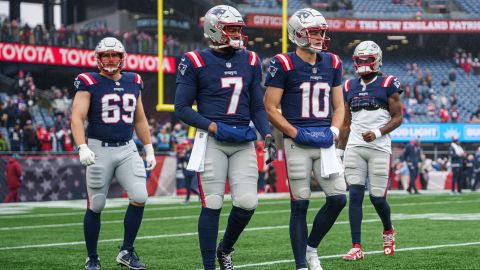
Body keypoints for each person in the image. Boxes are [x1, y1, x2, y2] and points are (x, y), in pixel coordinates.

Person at [174, 5, 276, 270]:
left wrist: (266, 132)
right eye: (231, 29)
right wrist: (213, 127)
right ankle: (209, 266)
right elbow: (182, 108)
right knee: (213, 204)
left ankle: (225, 248)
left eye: (238, 29)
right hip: (212, 140)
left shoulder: (251, 59)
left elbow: (256, 105)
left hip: (243, 139)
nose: (237, 34)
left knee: (247, 202)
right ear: (213, 29)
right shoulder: (194, 60)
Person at [264, 8, 347, 270]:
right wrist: (292, 132)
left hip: (323, 138)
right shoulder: (283, 63)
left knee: (338, 198)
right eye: (314, 32)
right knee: (300, 203)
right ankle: (301, 264)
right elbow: (271, 106)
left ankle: (311, 248)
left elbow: (339, 106)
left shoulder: (332, 62)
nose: (320, 37)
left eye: (321, 32)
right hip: (296, 139)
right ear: (298, 34)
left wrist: (334, 130)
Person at [71, 37, 156, 270]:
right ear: (98, 58)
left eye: (115, 55)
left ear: (122, 57)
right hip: (99, 148)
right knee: (96, 205)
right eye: (106, 55)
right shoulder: (88, 81)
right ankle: (92, 256)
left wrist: (148, 148)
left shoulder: (133, 80)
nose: (110, 59)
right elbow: (77, 117)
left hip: (127, 147)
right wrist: (82, 146)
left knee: (140, 196)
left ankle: (127, 251)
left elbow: (139, 118)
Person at [337, 41, 403, 260]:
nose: (363, 64)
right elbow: (345, 124)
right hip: (355, 147)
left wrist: (378, 131)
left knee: (377, 198)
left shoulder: (388, 83)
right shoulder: (349, 86)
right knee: (354, 195)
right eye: (360, 60)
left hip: (379, 148)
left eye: (368, 60)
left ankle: (388, 229)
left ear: (377, 60)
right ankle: (356, 246)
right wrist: (339, 151)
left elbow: (398, 117)